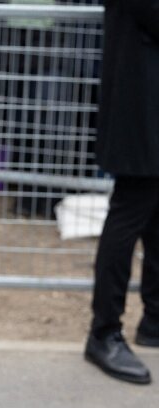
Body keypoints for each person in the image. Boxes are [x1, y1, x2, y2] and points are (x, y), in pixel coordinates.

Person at [84, 0, 159, 385]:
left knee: (152, 213)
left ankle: (153, 320)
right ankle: (104, 333)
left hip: (145, 99)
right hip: (140, 102)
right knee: (129, 211)